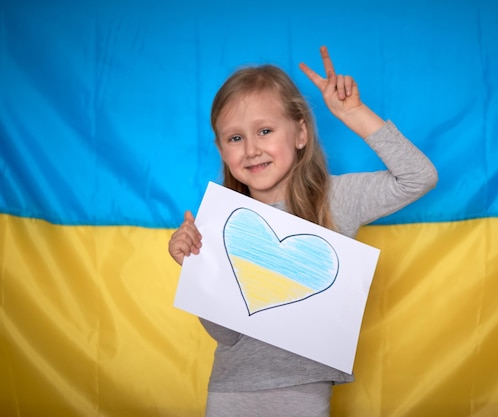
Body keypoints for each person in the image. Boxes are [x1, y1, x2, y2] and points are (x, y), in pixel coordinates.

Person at [168, 46, 438, 417]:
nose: (251, 149)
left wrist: (354, 114)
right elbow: (227, 336)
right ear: (220, 149)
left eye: (264, 130)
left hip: (303, 394)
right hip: (230, 391)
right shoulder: (221, 221)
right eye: (235, 138)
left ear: (300, 133)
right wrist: (194, 268)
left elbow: (419, 177)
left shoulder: (337, 199)